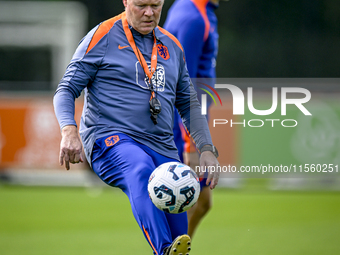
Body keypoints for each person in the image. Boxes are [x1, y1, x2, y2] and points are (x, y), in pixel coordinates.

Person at [53, 0, 220, 255]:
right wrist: (68, 131)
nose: (149, 13)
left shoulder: (172, 46)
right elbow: (66, 89)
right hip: (110, 139)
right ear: (126, 2)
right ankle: (164, 250)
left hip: (162, 146)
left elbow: (189, 104)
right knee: (140, 168)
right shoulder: (102, 35)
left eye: (155, 5)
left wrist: (206, 148)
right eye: (141, 5)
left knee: (181, 234)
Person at [164, 0, 223, 239]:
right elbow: (183, 85)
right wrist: (192, 145)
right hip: (184, 129)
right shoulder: (194, 19)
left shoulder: (185, 7)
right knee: (195, 203)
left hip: (182, 125)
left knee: (200, 203)